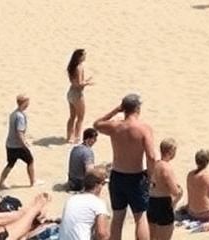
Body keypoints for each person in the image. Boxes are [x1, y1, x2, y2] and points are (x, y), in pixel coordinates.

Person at [94, 93, 157, 240]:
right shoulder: (143, 129)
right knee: (140, 217)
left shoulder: (115, 126)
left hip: (117, 175)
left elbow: (96, 124)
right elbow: (152, 156)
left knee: (117, 218)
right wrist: (151, 176)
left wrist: (116, 110)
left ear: (124, 108)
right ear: (137, 108)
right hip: (136, 176)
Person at [59, 168, 111, 240]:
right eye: (103, 184)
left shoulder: (72, 199)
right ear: (98, 185)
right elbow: (102, 234)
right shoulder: (98, 204)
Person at [147, 138, 182, 240]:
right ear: (170, 151)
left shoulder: (155, 164)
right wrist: (180, 191)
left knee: (152, 237)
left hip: (152, 201)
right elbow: (174, 191)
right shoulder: (166, 168)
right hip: (163, 203)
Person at [0, 94, 36, 189]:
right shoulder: (20, 116)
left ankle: (1, 182)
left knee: (10, 164)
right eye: (27, 102)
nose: (28, 104)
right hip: (18, 146)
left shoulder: (13, 113)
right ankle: (32, 182)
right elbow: (19, 132)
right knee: (30, 161)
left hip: (9, 144)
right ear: (24, 103)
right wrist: (24, 144)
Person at [181, 150, 209, 222]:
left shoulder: (190, 175)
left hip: (191, 211)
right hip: (206, 213)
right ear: (207, 161)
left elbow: (190, 194)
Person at [67, 49, 93, 144]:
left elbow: (74, 81)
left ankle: (69, 137)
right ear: (80, 57)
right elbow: (79, 84)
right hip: (77, 94)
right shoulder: (79, 67)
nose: (85, 56)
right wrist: (87, 83)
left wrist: (85, 81)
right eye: (84, 55)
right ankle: (77, 138)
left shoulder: (71, 66)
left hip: (70, 93)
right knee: (80, 118)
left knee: (72, 117)